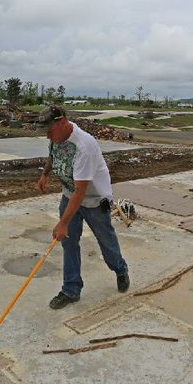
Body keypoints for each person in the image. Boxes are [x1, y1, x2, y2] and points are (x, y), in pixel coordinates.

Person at [36, 105, 130, 309]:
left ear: (62, 123)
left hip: (94, 199)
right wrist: (45, 174)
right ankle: (71, 289)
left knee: (106, 242)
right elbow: (53, 155)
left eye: (49, 131)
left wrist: (63, 223)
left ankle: (120, 269)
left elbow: (81, 192)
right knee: (68, 243)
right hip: (70, 195)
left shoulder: (84, 146)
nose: (47, 136)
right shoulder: (57, 137)